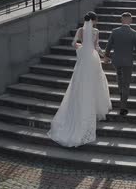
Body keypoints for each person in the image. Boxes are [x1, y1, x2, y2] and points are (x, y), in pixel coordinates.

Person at [48, 11, 112, 147]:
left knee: (80, 82)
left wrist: (81, 47)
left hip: (83, 59)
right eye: (97, 20)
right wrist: (103, 56)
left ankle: (79, 107)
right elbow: (97, 47)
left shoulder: (80, 30)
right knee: (96, 82)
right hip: (92, 58)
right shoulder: (96, 31)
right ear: (94, 20)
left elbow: (74, 44)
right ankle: (93, 108)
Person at [104, 12, 136, 116]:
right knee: (126, 83)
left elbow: (108, 46)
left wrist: (106, 56)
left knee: (120, 80)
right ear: (130, 20)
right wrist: (130, 51)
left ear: (121, 20)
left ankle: (121, 93)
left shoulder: (114, 32)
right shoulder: (135, 33)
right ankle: (123, 107)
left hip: (116, 61)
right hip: (128, 61)